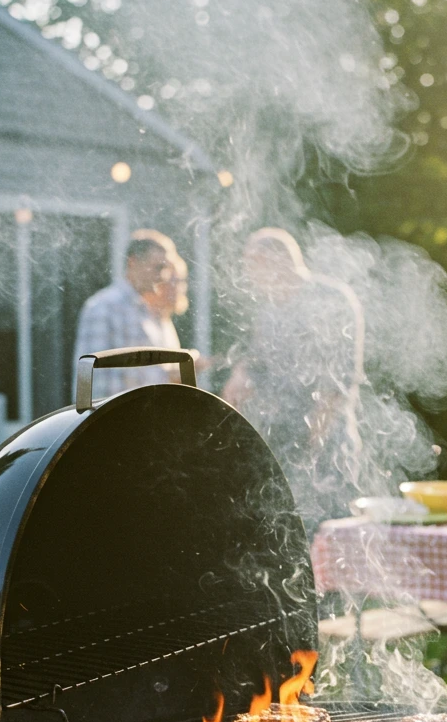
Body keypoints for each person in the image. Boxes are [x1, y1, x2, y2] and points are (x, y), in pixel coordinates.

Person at [222, 228, 364, 531]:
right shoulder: (269, 308)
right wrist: (242, 373)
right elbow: (261, 363)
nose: (250, 274)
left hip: (326, 442)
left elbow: (340, 375)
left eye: (254, 264)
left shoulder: (330, 298)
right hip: (283, 440)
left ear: (278, 261)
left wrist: (318, 431)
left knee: (331, 529)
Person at [72, 229, 194, 400]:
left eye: (166, 268)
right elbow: (94, 387)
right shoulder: (104, 307)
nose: (164, 276)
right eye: (158, 267)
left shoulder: (150, 313)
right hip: (115, 423)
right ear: (133, 262)